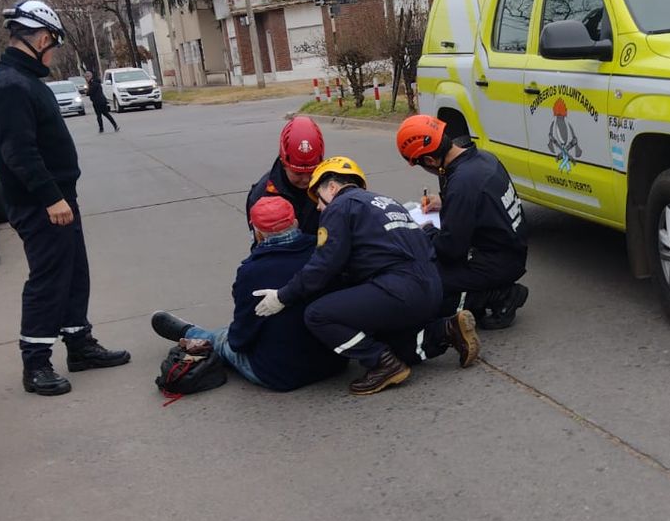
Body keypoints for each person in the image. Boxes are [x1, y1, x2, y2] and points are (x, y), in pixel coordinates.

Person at [0, 0, 130, 395]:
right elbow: (19, 152)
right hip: (41, 203)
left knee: (73, 271)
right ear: (43, 38)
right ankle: (36, 364)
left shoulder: (24, 80)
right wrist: (51, 198)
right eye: (53, 44)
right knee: (48, 279)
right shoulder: (11, 84)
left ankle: (79, 344)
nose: (52, 52)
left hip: (58, 197)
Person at [252, 156, 481, 396]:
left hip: (398, 288)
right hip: (431, 288)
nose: (318, 207)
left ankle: (382, 364)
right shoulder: (387, 202)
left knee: (318, 315)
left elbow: (323, 266)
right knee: (388, 343)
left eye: (318, 199)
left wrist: (283, 296)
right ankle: (447, 329)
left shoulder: (340, 206)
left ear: (332, 187)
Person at [149, 196, 346, 391]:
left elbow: (240, 339)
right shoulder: (324, 254)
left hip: (280, 374)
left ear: (257, 233)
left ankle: (191, 333)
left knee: (223, 339)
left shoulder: (252, 272)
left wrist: (230, 338)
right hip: (334, 362)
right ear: (295, 222)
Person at [396, 115, 529, 329]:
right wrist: (446, 200)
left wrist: (426, 232)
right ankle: (484, 293)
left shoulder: (462, 184)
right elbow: (480, 198)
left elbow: (450, 251)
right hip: (510, 249)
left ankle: (500, 295)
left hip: (496, 262)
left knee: (423, 285)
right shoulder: (484, 159)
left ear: (430, 160)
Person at [245, 116, 324, 235]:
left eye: (312, 171)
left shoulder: (331, 189)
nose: (306, 179)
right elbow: (259, 247)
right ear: (283, 164)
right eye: (298, 173)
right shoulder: (262, 194)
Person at [87, 68, 118, 134]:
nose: (87, 78)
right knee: (105, 114)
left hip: (98, 102)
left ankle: (103, 128)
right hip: (101, 100)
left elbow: (89, 92)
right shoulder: (95, 82)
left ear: (91, 76)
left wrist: (87, 91)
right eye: (86, 76)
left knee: (100, 115)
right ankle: (114, 126)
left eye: (88, 76)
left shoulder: (93, 83)